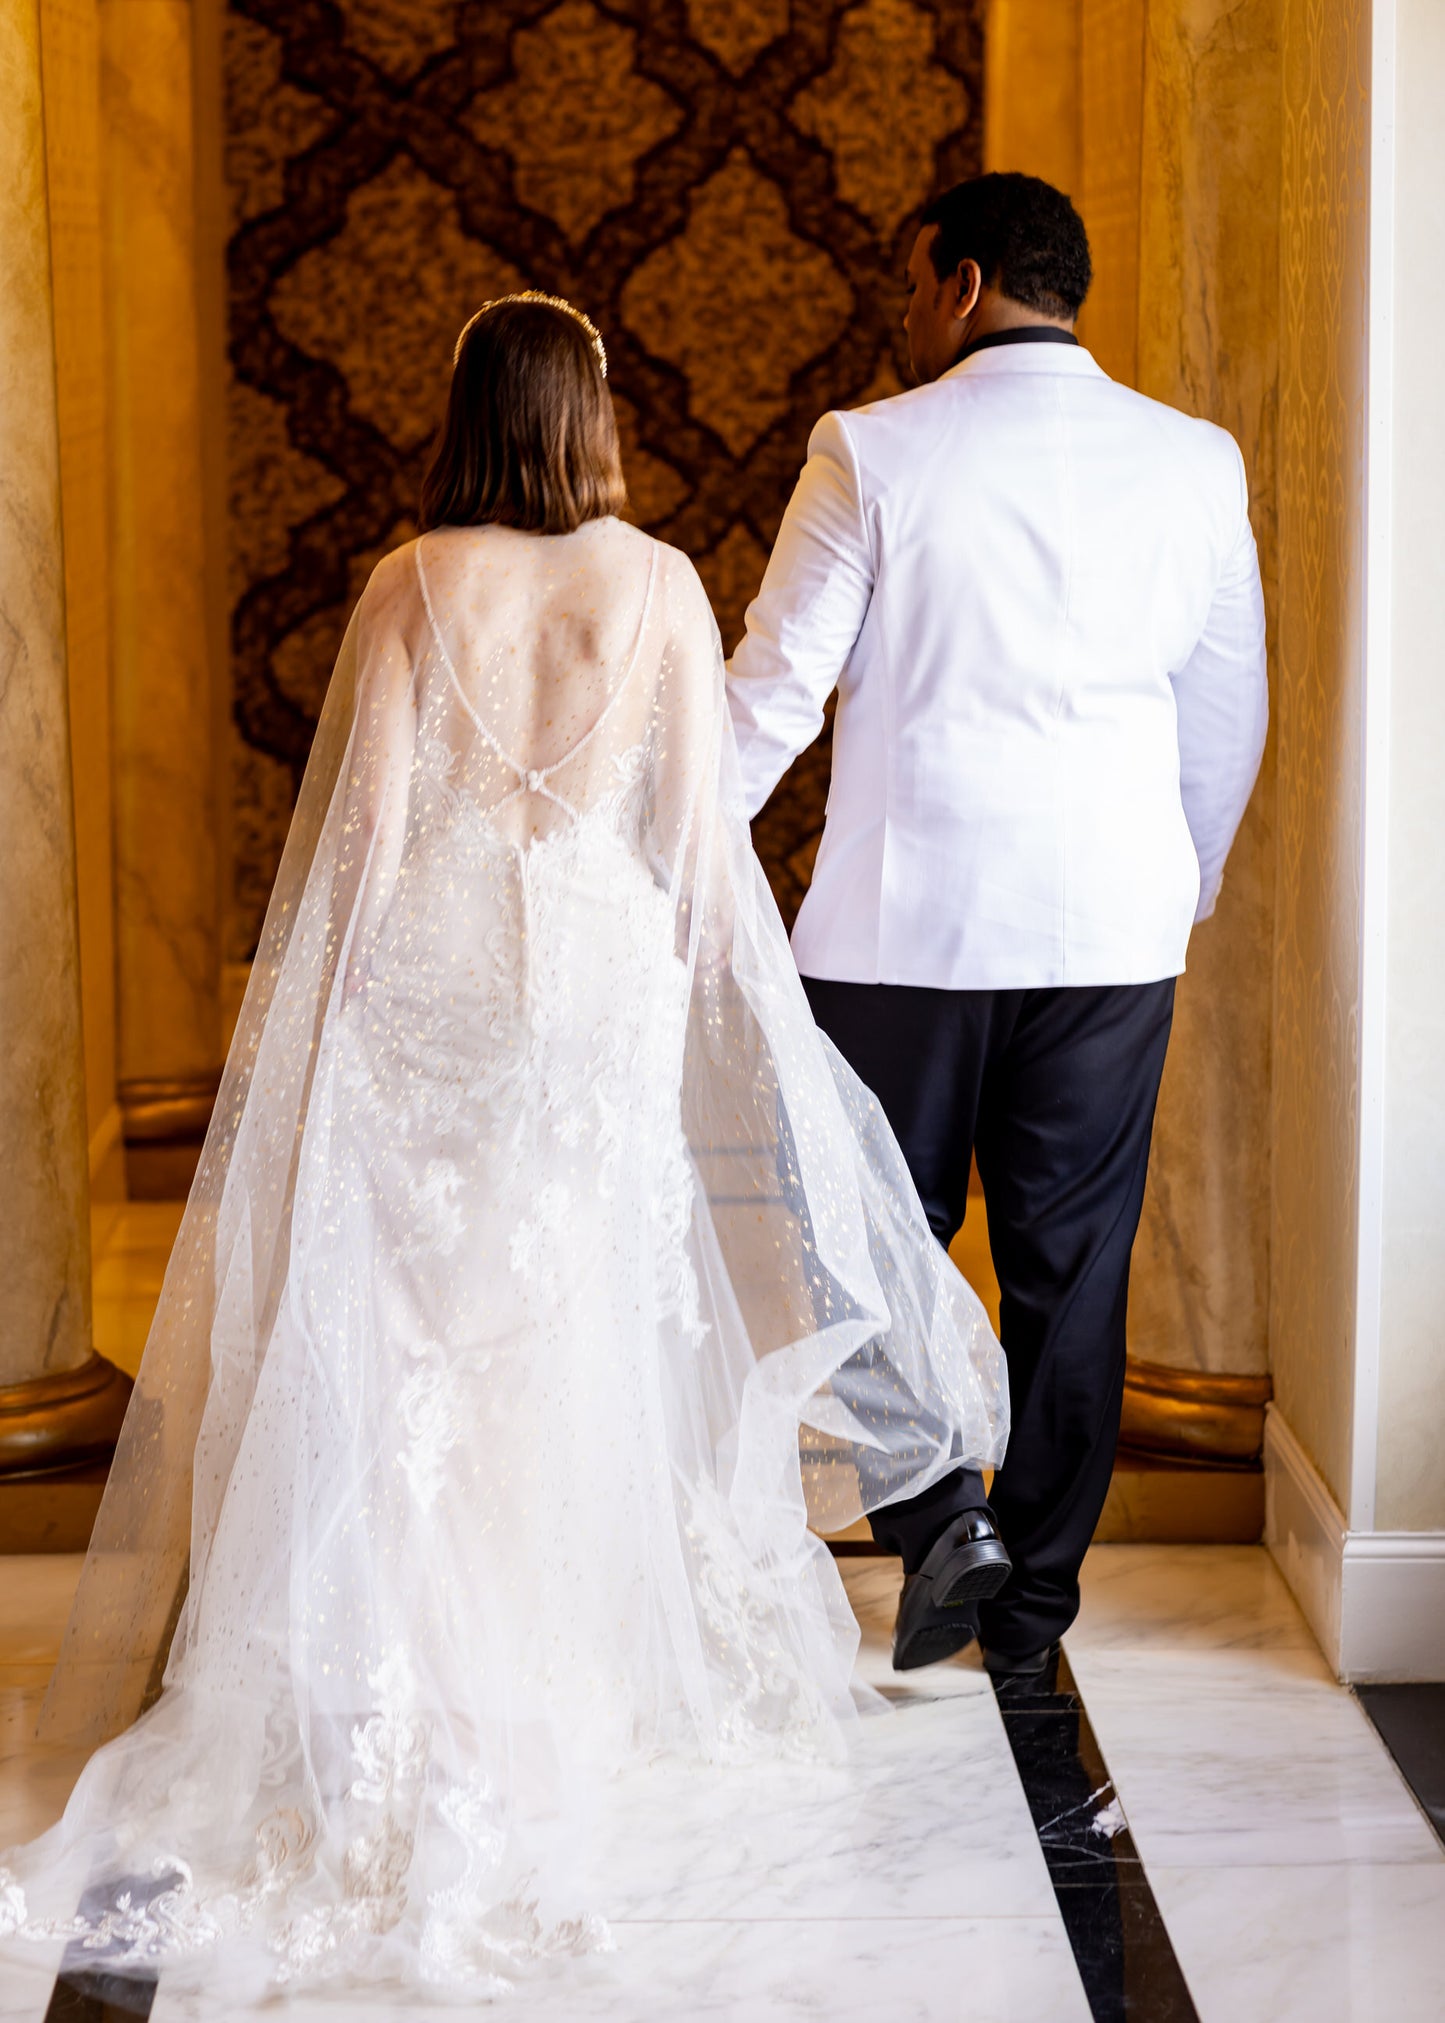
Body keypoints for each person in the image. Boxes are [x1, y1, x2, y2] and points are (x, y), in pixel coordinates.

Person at [0, 294, 1007, 2000]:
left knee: (411, 1332)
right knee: (567, 1324)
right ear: (591, 412)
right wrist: (711, 1033)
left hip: (444, 969)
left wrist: (318, 1050)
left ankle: (402, 1667)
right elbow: (695, 848)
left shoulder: (411, 579)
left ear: (469, 407)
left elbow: (372, 836)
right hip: (596, 974)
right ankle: (540, 1674)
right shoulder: (666, 584)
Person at [727, 173, 1268, 1677]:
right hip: (1108, 928)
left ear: (960, 282)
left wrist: (667, 857)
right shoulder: (1194, 460)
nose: (900, 314)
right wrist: (1179, 881)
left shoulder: (870, 448)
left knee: (856, 1240)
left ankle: (932, 1519)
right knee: (1072, 1269)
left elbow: (776, 692)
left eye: (909, 282)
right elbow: (1221, 714)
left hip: (902, 930)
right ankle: (1029, 1602)